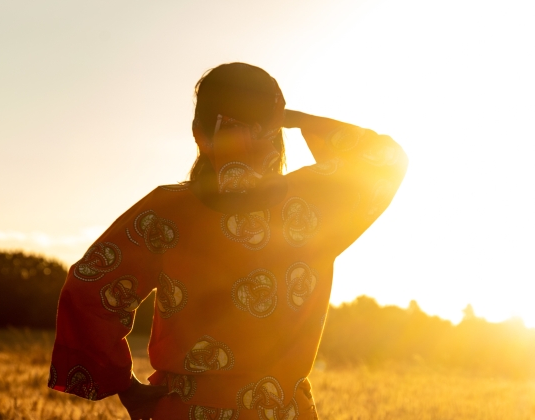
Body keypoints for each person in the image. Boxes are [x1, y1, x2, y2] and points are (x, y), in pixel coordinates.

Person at [48, 62, 408, 419]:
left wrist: (125, 387)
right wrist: (293, 119)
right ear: (275, 131)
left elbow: (88, 287)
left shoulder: (168, 210)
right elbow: (385, 160)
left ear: (198, 133)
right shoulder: (311, 205)